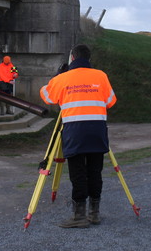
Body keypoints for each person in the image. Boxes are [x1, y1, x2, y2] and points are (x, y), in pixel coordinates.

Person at [39, 44, 116, 228]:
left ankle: (79, 216)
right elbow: (110, 101)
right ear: (88, 59)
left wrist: (57, 77)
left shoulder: (63, 78)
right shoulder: (101, 76)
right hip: (97, 130)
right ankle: (94, 214)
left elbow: (47, 96)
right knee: (95, 172)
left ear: (72, 58)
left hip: (74, 131)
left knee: (78, 173)